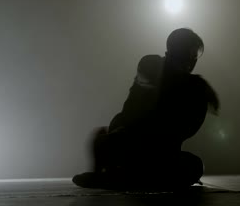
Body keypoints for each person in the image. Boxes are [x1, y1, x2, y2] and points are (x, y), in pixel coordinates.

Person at [73, 28, 220, 190]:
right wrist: (199, 85)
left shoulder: (191, 88)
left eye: (195, 57)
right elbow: (166, 79)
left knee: (195, 165)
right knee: (102, 138)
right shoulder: (151, 64)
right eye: (189, 55)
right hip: (128, 145)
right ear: (176, 51)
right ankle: (120, 176)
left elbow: (182, 131)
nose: (192, 62)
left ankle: (121, 177)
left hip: (159, 155)